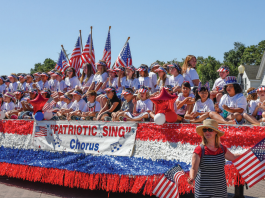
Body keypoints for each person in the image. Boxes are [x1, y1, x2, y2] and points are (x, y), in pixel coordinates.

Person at [189, 119, 241, 198]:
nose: (207, 132)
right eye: (205, 130)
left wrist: (249, 154)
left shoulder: (222, 148)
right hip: (203, 191)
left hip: (220, 191)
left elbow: (233, 157)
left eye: (210, 130)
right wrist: (192, 178)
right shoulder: (199, 149)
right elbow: (194, 169)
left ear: (216, 132)